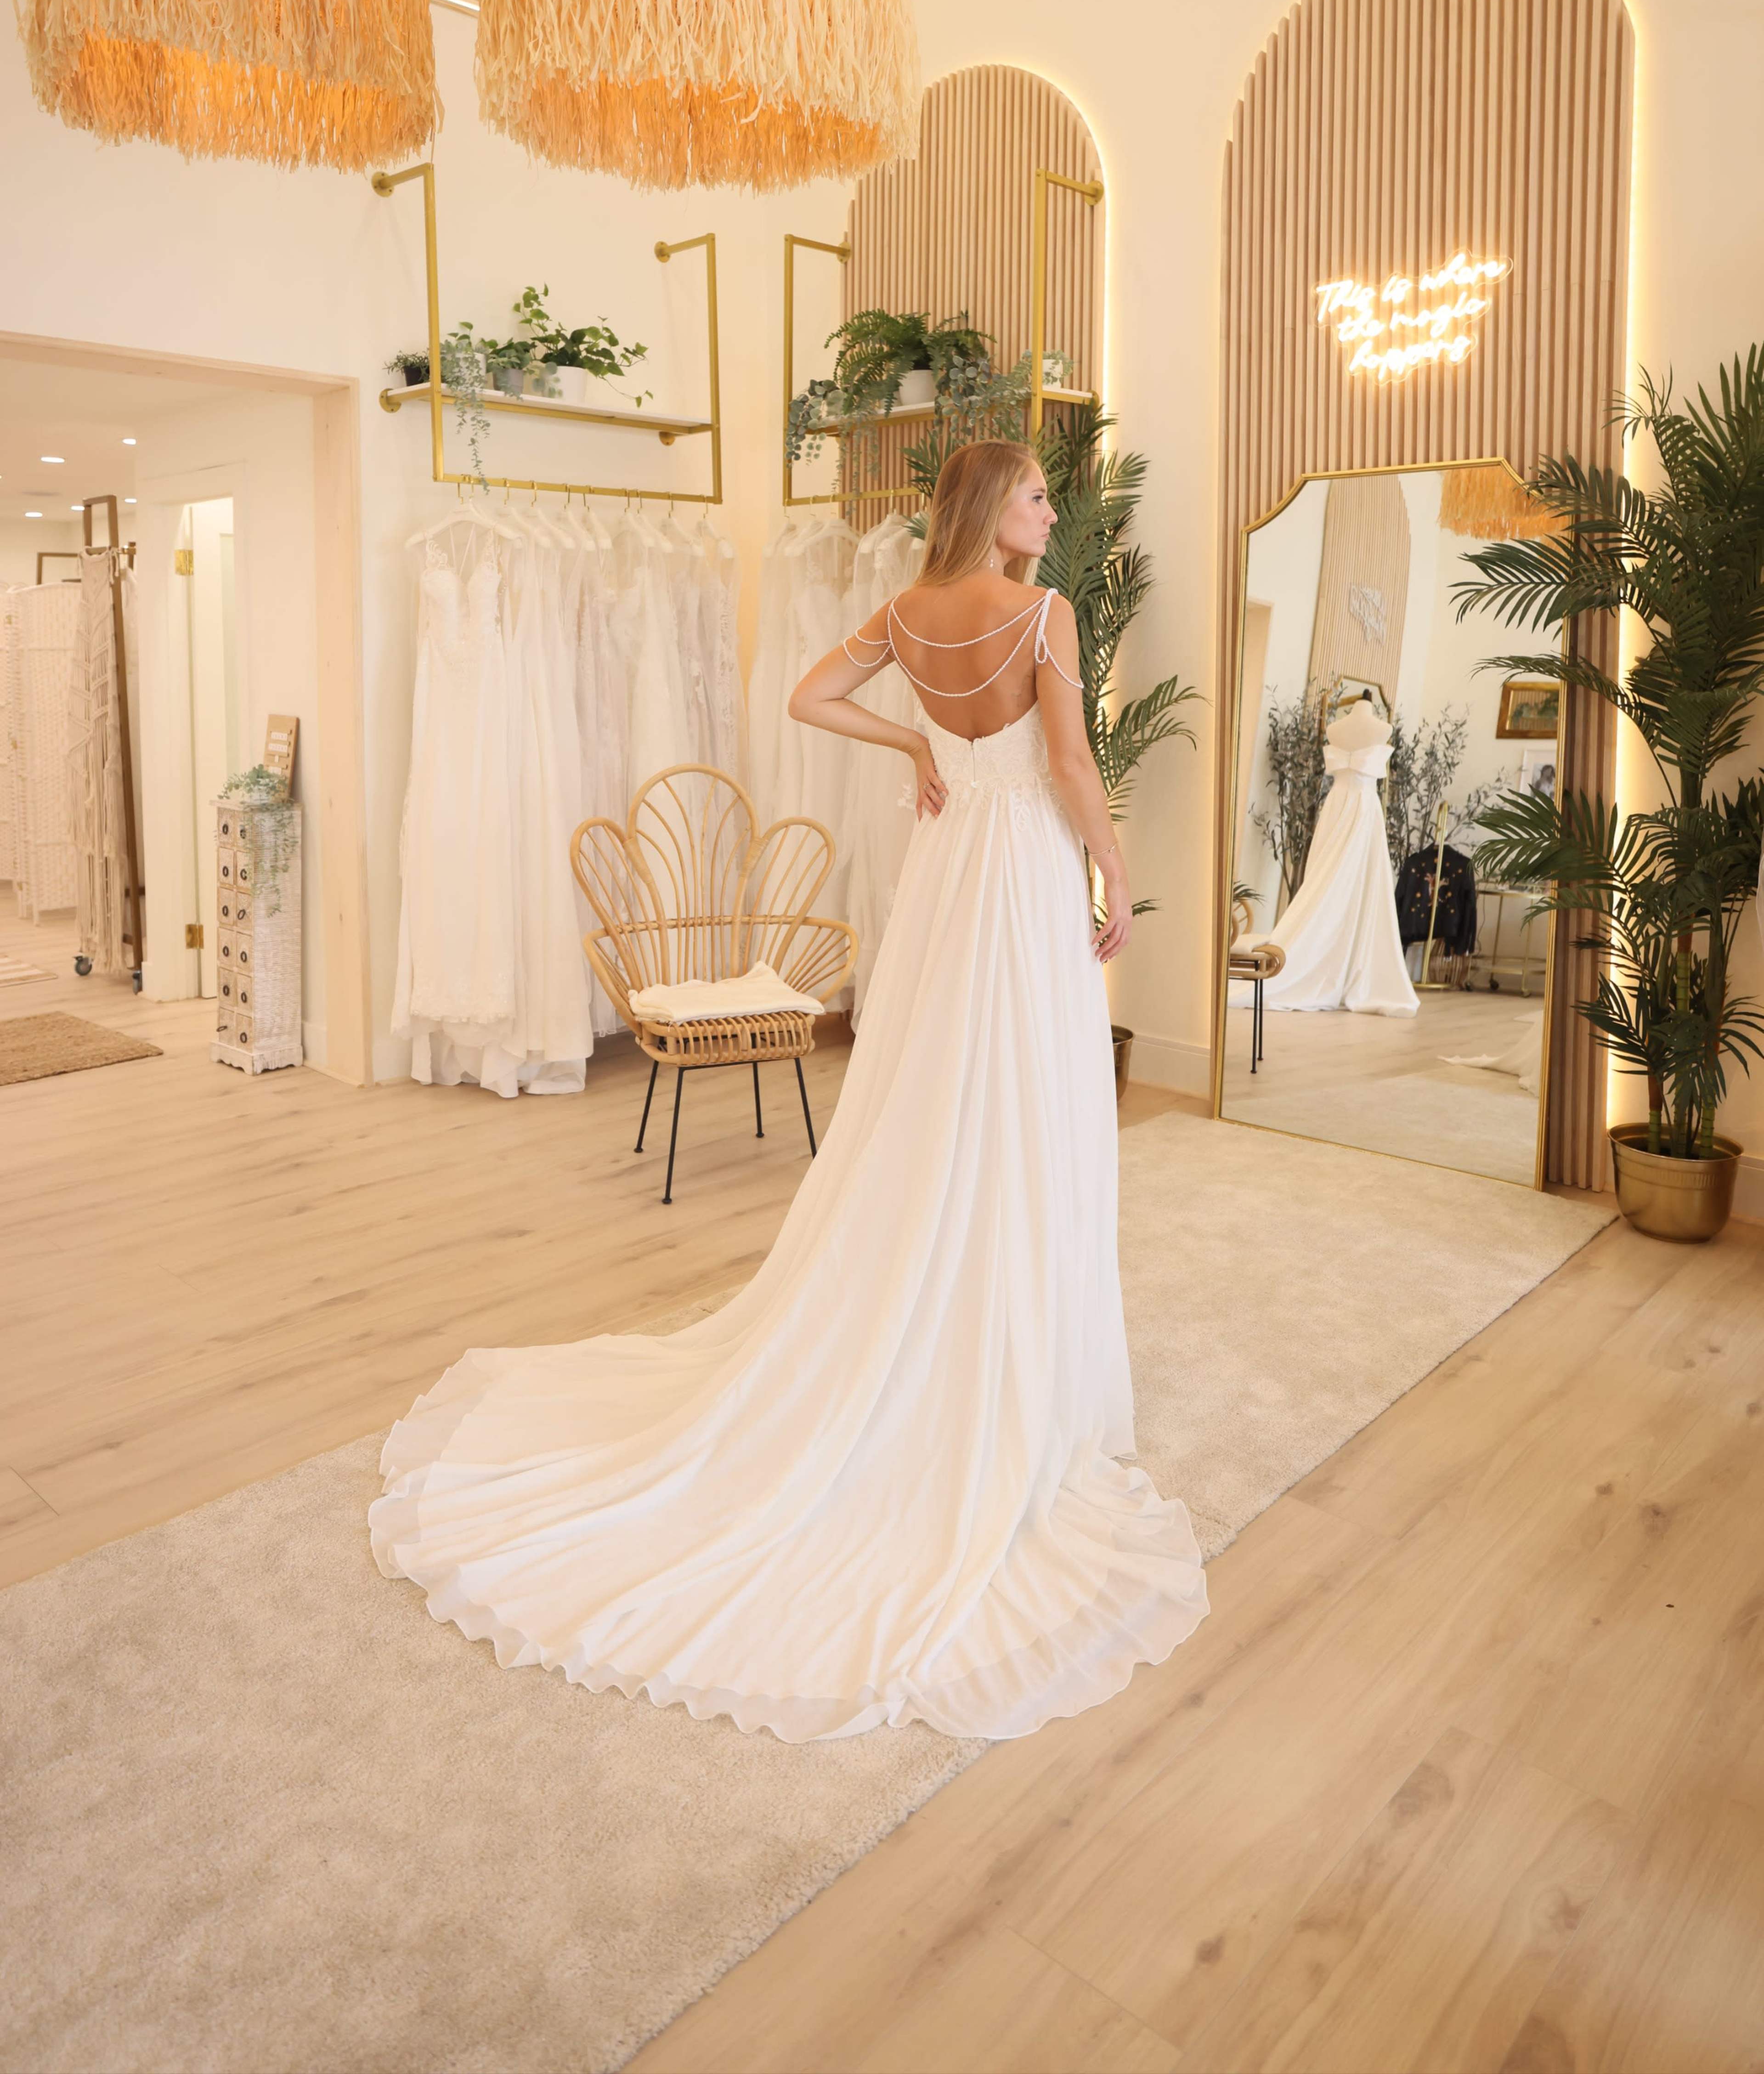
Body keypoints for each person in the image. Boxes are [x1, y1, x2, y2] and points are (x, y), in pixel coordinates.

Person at [370, 440, 1207, 1741]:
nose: (1051, 511)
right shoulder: (1042, 612)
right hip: (1023, 870)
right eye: (1039, 494)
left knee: (925, 1089)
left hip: (944, 874)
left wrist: (908, 743)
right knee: (1026, 1095)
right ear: (997, 510)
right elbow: (1072, 770)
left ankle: (927, 1294)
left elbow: (816, 696)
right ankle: (1006, 1335)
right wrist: (1111, 876)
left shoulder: (908, 613)